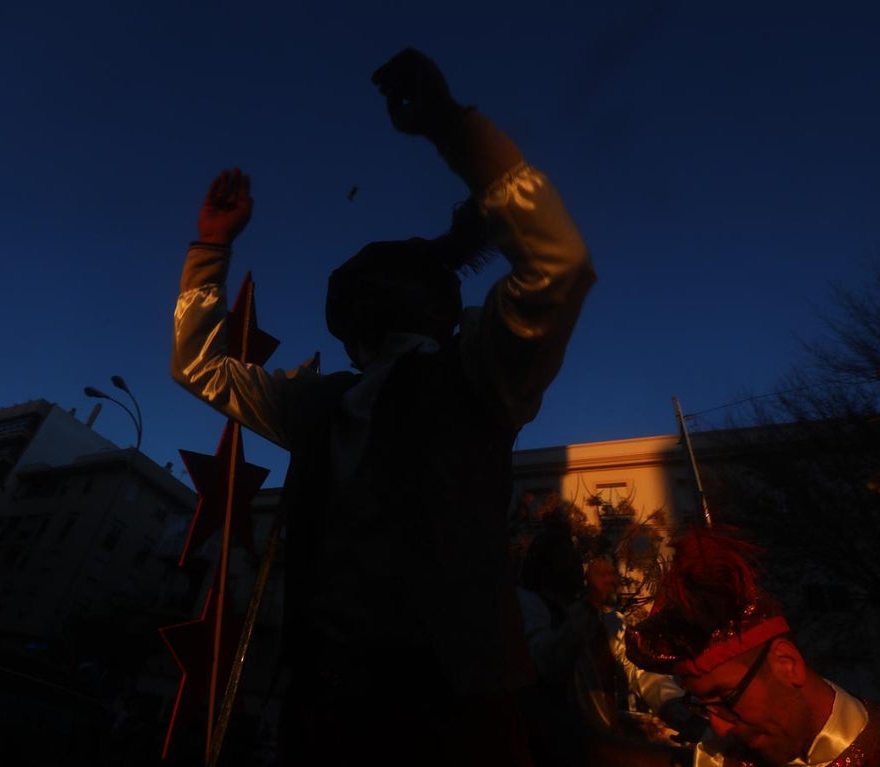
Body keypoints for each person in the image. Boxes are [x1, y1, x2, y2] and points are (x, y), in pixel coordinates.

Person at [172, 47, 595, 767]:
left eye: (383, 285)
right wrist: (210, 247)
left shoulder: (480, 372)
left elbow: (558, 265)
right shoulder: (318, 402)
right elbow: (200, 368)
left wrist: (453, 128)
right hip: (327, 707)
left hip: (451, 713)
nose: (372, 300)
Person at [625, 525, 880, 767]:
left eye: (725, 699)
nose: (718, 727)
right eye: (704, 706)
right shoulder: (723, 759)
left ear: (787, 663)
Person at [516, 530, 702, 767]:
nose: (575, 564)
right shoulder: (528, 606)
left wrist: (682, 716)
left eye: (574, 556)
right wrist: (590, 603)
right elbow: (548, 665)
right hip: (554, 750)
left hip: (600, 745)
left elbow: (644, 674)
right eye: (562, 556)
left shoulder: (607, 621)